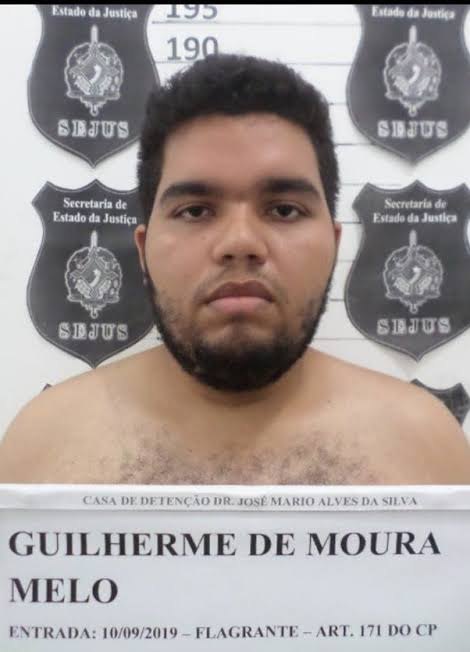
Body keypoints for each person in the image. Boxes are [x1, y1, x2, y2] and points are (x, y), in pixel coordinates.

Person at [1, 54, 470, 484]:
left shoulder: (426, 450)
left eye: (284, 210)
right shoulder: (41, 450)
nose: (240, 243)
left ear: (334, 243)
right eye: (195, 211)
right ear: (143, 250)